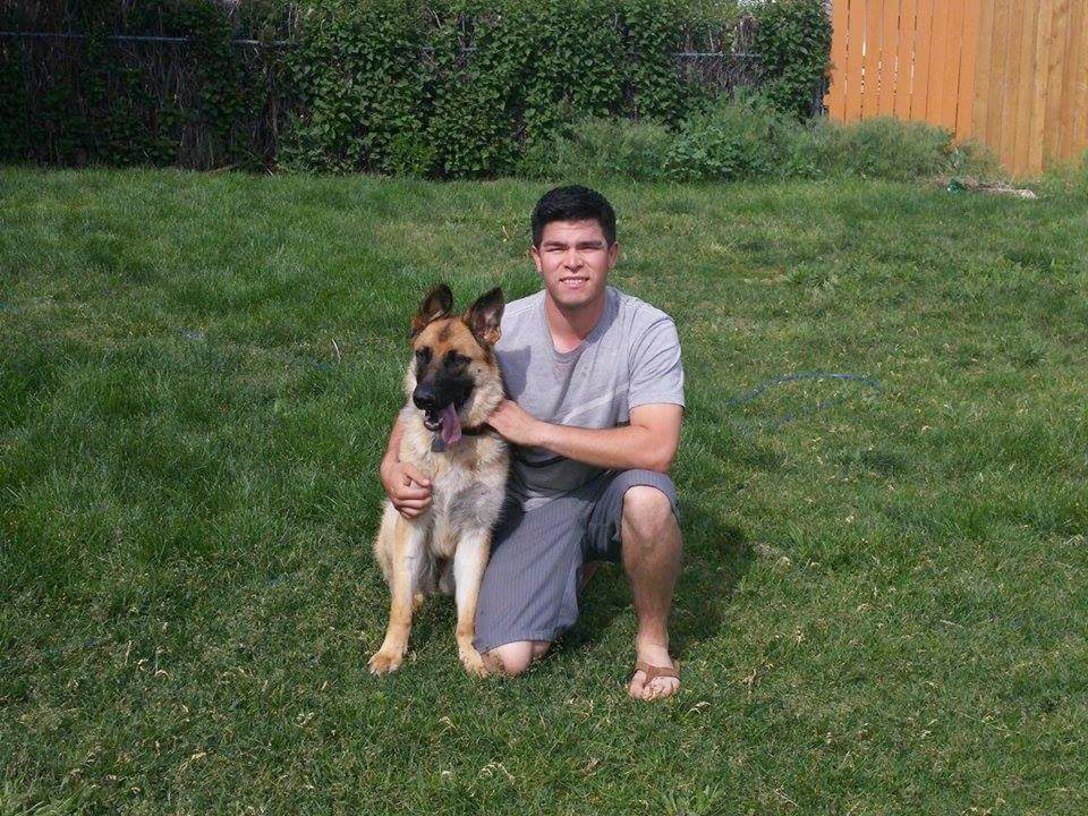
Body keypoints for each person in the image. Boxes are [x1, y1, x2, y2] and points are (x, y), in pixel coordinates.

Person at [380, 185, 685, 700]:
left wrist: (536, 430)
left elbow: (658, 449)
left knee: (650, 499)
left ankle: (653, 645)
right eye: (557, 249)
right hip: (534, 504)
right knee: (507, 659)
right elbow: (424, 400)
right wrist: (391, 464)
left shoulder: (648, 329)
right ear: (537, 258)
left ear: (612, 254)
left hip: (608, 489)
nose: (572, 262)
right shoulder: (503, 328)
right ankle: (567, 564)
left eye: (587, 247)